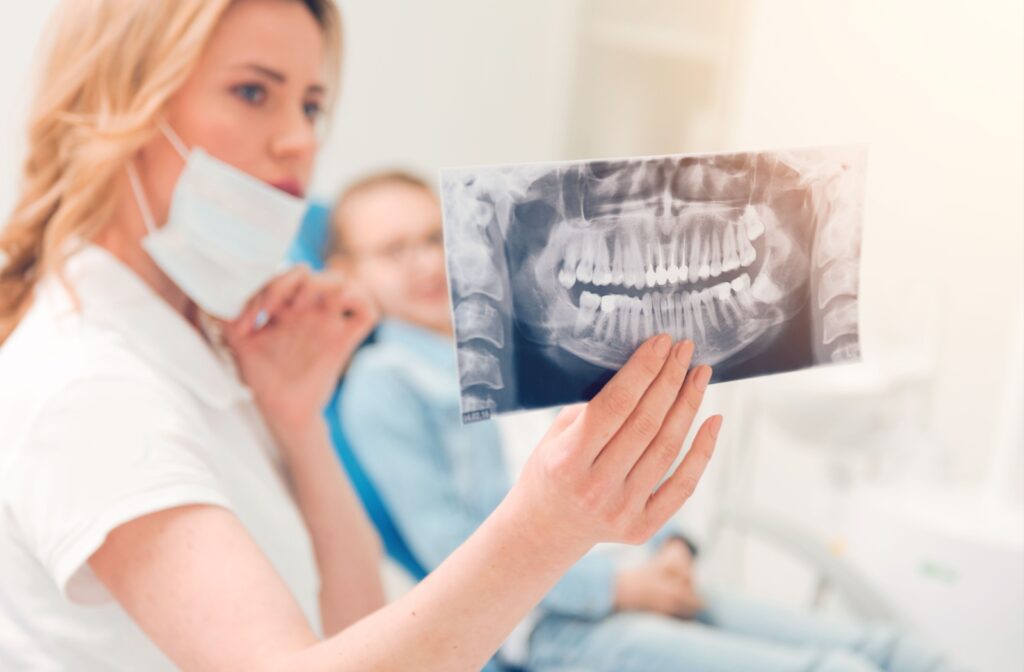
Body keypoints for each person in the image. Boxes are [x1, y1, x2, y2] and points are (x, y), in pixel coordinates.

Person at [0, 2, 722, 670]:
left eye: (311, 104)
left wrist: (297, 422)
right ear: (115, 104)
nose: (299, 140)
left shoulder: (202, 348)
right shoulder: (88, 383)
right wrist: (546, 529)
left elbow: (354, 621)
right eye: (253, 92)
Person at [332, 171, 956, 672]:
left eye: (431, 238)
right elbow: (448, 552)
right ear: (346, 272)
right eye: (393, 250)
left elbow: (626, 455)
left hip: (651, 573)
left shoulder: (533, 341)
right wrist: (618, 589)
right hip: (550, 625)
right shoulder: (383, 383)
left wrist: (676, 548)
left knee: (892, 651)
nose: (420, 260)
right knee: (835, 667)